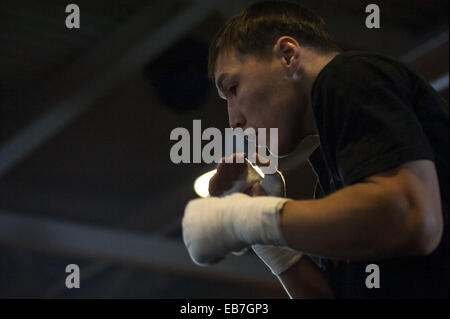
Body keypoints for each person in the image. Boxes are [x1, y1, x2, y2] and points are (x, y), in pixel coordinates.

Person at [182, 1, 448, 298]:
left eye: (233, 88)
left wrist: (248, 219)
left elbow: (412, 219)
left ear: (287, 56)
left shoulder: (349, 75)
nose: (233, 121)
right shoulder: (334, 173)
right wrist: (268, 243)